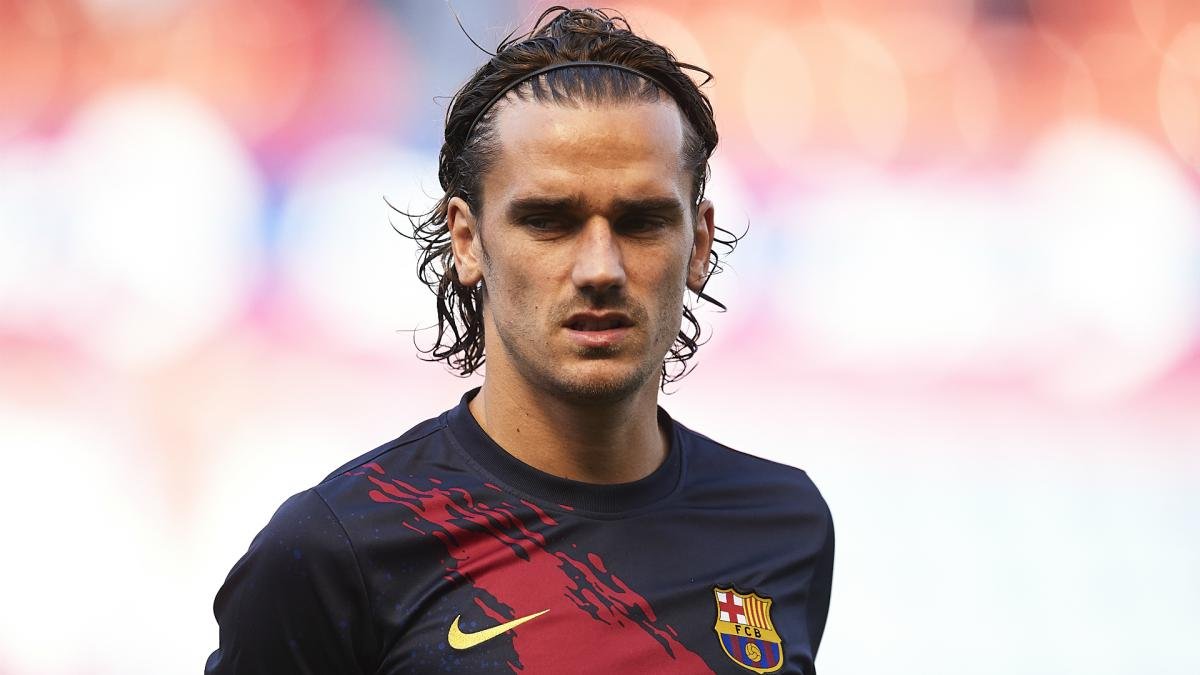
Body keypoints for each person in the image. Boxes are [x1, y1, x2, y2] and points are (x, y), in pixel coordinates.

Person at [206, 7, 833, 674]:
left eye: (641, 221)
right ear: (467, 240)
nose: (600, 268)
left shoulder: (782, 524)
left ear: (699, 243)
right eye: (548, 221)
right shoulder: (341, 549)